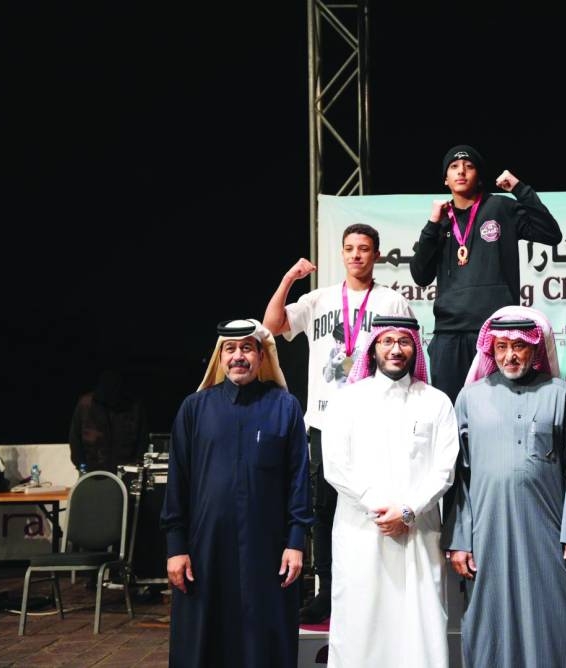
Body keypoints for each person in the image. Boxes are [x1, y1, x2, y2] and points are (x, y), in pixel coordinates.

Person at [264, 223, 413, 623]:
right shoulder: (320, 299)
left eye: (364, 248)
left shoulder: (393, 302)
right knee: (323, 510)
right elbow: (273, 325)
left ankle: (375, 590)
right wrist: (288, 279)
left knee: (374, 506)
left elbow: (412, 356)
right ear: (342, 253)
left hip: (376, 422)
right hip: (325, 423)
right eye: (349, 248)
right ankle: (327, 592)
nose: (356, 255)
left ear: (376, 254)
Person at [443, 305, 566, 667]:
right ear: (490, 351)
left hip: (547, 531)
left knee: (556, 619)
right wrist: (460, 539)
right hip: (486, 532)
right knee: (490, 621)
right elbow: (457, 479)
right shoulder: (470, 398)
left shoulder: (560, 394)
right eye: (501, 347)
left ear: (534, 349)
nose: (510, 355)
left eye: (519, 346)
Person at [161, 319, 312, 667]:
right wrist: (176, 548)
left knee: (265, 642)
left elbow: (299, 481)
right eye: (230, 348)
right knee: (203, 642)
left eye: (247, 348)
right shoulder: (194, 409)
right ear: (220, 356)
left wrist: (295, 541)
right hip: (204, 552)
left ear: (261, 356)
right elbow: (177, 482)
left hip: (269, 552)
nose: (238, 356)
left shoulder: (284, 407)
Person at [321, 315, 458, 668]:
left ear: (415, 348)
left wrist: (408, 511)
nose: (396, 349)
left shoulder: (437, 402)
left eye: (404, 342)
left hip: (418, 534)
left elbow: (445, 469)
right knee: (360, 628)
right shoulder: (348, 400)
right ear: (374, 348)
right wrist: (377, 508)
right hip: (361, 532)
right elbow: (335, 465)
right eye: (387, 341)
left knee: (420, 627)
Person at [409, 144, 562, 403]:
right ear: (445, 179)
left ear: (478, 176)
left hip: (496, 332)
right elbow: (420, 275)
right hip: (450, 333)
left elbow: (551, 234)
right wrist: (432, 224)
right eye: (454, 167)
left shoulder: (501, 208)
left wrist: (519, 189)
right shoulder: (442, 220)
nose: (461, 172)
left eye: (469, 167)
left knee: (499, 410)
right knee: (451, 411)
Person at [68, 368, 148, 473]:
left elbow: (142, 442)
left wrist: (134, 467)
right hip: (92, 474)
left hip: (126, 474)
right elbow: (75, 441)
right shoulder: (85, 405)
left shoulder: (134, 406)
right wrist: (83, 467)